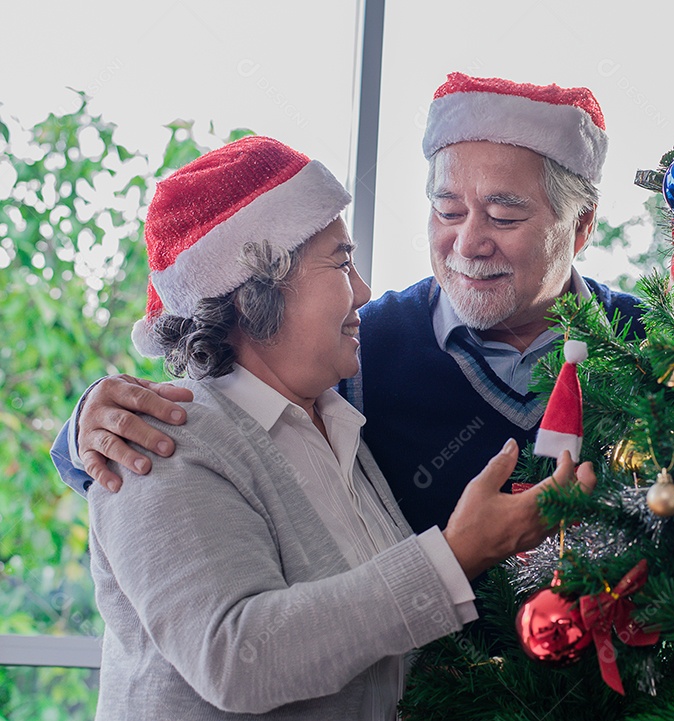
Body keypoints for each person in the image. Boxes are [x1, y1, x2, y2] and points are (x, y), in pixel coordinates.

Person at [85, 135, 596, 719]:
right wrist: (455, 557)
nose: (363, 291)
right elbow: (235, 659)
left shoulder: (338, 425)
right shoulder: (161, 442)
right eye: (340, 262)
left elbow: (366, 643)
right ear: (254, 294)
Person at [52, 72, 644, 536]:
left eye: (504, 216)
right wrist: (86, 428)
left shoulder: (658, 345)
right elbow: (216, 413)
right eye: (448, 211)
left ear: (581, 225)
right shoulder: (361, 347)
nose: (468, 244)